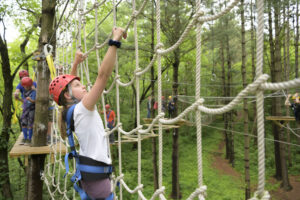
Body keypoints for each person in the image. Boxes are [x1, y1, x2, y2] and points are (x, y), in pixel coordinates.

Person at [49, 27, 126, 199]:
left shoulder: (70, 110)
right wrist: (114, 41)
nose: (83, 85)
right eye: (78, 85)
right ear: (68, 95)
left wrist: (76, 64)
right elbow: (103, 76)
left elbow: (69, 87)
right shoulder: (82, 108)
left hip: (90, 176)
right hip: (98, 181)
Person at [20, 77, 36, 145]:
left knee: (30, 124)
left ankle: (29, 139)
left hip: (31, 110)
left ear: (30, 85)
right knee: (23, 123)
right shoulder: (24, 92)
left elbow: (35, 101)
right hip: (25, 110)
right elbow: (23, 100)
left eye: (27, 86)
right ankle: (25, 138)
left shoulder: (34, 92)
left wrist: (30, 100)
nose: (26, 87)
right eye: (25, 86)